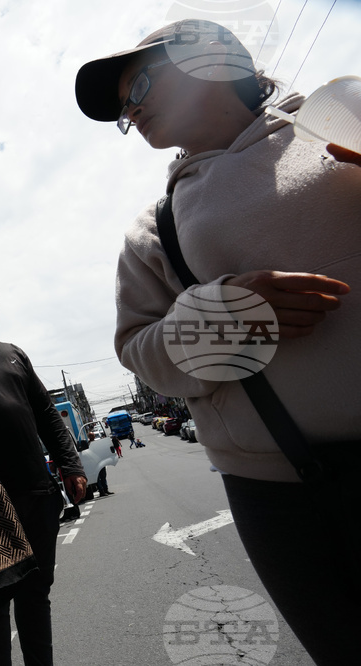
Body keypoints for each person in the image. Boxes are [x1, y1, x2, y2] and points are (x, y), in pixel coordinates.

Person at [76, 19, 361, 665]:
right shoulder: (155, 229)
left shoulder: (338, 119)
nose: (130, 111)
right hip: (282, 493)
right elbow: (138, 350)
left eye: (137, 86)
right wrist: (221, 319)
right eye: (122, 109)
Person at [0, 276, 87, 666]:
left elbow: (46, 413)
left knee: (36, 594)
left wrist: (71, 463)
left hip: (37, 494)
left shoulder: (13, 354)